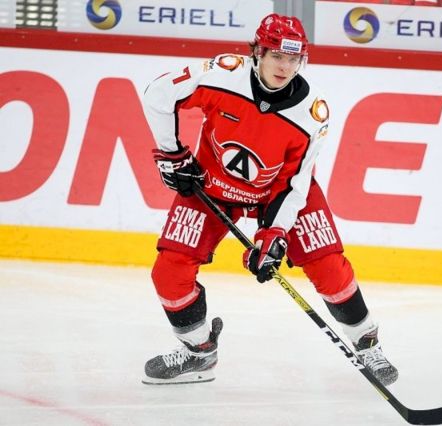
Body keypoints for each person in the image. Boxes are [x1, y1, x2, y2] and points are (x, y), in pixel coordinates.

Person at [141, 13, 398, 387]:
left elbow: (294, 184)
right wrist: (172, 153)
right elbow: (158, 94)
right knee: (169, 270)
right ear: (257, 52)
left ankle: (367, 342)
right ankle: (199, 352)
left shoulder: (312, 115)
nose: (285, 67)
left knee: (328, 267)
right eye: (277, 56)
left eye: (294, 59)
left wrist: (273, 234)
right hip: (212, 186)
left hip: (281, 191)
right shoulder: (221, 75)